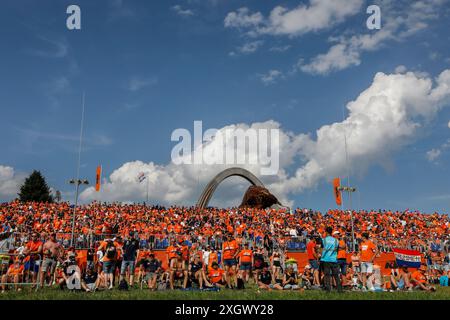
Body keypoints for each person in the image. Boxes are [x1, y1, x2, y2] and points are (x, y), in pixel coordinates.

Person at [320, 226, 342, 292]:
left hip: (325, 259)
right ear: (331, 232)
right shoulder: (336, 240)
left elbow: (322, 250)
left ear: (326, 232)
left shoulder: (324, 240)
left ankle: (328, 289)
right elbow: (337, 250)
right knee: (336, 275)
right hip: (334, 259)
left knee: (327, 275)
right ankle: (339, 289)